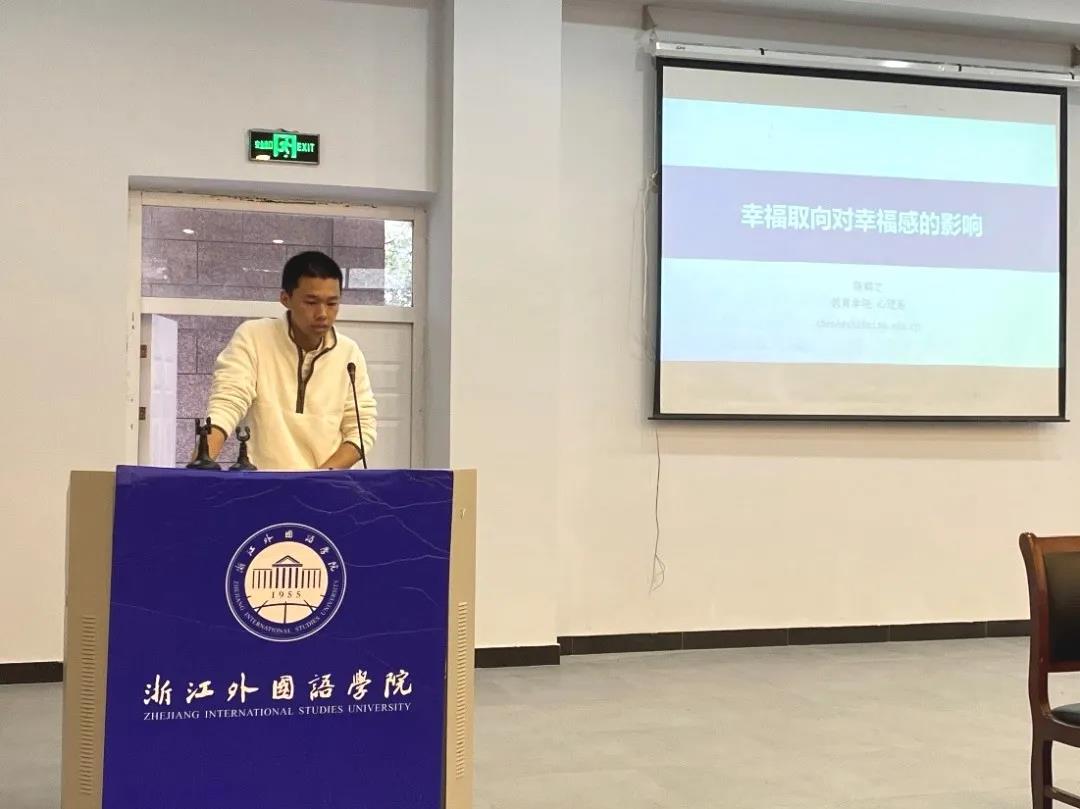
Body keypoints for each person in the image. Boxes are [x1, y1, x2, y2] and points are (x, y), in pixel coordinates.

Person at [201, 251, 377, 470]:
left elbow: (362, 429)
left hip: (326, 484)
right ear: (285, 299)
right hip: (264, 484)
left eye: (332, 303)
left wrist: (319, 478)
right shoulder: (253, 337)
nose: (322, 313)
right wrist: (202, 460)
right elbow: (227, 403)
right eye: (311, 302)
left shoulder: (349, 353)